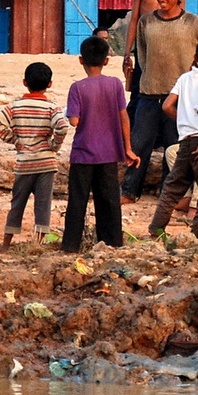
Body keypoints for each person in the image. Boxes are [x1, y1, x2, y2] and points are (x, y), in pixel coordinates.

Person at [121, 0, 198, 203]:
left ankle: (169, 193)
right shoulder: (146, 22)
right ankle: (128, 190)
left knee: (172, 146)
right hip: (148, 94)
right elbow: (142, 55)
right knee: (139, 143)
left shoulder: (193, 23)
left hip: (177, 98)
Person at [61, 35, 140, 253]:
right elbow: (124, 116)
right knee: (109, 202)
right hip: (109, 153)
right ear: (106, 60)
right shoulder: (114, 84)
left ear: (80, 60)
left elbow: (74, 121)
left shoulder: (77, 88)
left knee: (77, 201)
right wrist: (128, 148)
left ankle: (70, 246)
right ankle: (112, 244)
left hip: (84, 154)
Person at [147, 38, 198, 242]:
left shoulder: (185, 78)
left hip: (185, 140)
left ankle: (156, 229)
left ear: (195, 58)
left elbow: (166, 106)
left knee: (172, 188)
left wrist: (182, 119)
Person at [0, 61, 69, 250]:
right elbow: (63, 126)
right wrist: (54, 145)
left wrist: (14, 140)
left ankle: (5, 245)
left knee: (17, 204)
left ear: (25, 82)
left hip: (24, 162)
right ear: (49, 84)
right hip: (46, 163)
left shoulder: (15, 106)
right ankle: (38, 245)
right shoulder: (52, 108)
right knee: (43, 206)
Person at [121, 0, 179, 126]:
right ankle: (131, 133)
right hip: (144, 50)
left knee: (168, 91)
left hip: (169, 51)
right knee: (139, 90)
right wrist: (127, 52)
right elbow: (134, 21)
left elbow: (181, 22)